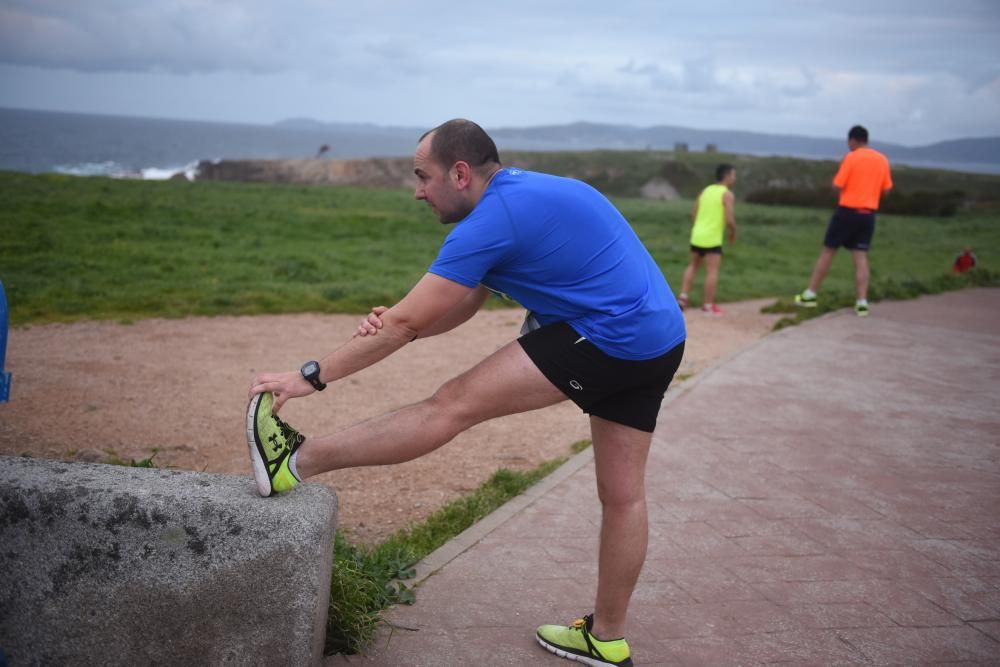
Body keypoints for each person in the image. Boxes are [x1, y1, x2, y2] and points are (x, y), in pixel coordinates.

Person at [246, 119, 686, 667]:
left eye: (423, 177)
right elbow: (455, 307)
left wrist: (307, 376)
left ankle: (293, 461)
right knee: (625, 495)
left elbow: (407, 326)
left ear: (459, 172)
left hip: (607, 336)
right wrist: (404, 322)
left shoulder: (492, 220)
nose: (417, 191)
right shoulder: (524, 195)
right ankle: (608, 638)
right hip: (660, 338)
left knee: (450, 405)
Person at [794, 125, 892, 317]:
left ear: (853, 140)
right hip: (868, 214)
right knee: (860, 256)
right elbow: (887, 189)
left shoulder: (852, 157)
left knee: (828, 251)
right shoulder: (882, 160)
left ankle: (810, 294)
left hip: (847, 211)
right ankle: (862, 302)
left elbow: (837, 184)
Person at [677, 164, 737, 314]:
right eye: (734, 175)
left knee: (693, 266)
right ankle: (708, 305)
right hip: (712, 238)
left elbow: (693, 213)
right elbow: (729, 219)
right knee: (712, 271)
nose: (734, 178)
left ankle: (683, 297)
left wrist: (700, 226)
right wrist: (733, 232)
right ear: (727, 176)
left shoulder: (705, 190)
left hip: (697, 235)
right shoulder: (727, 194)